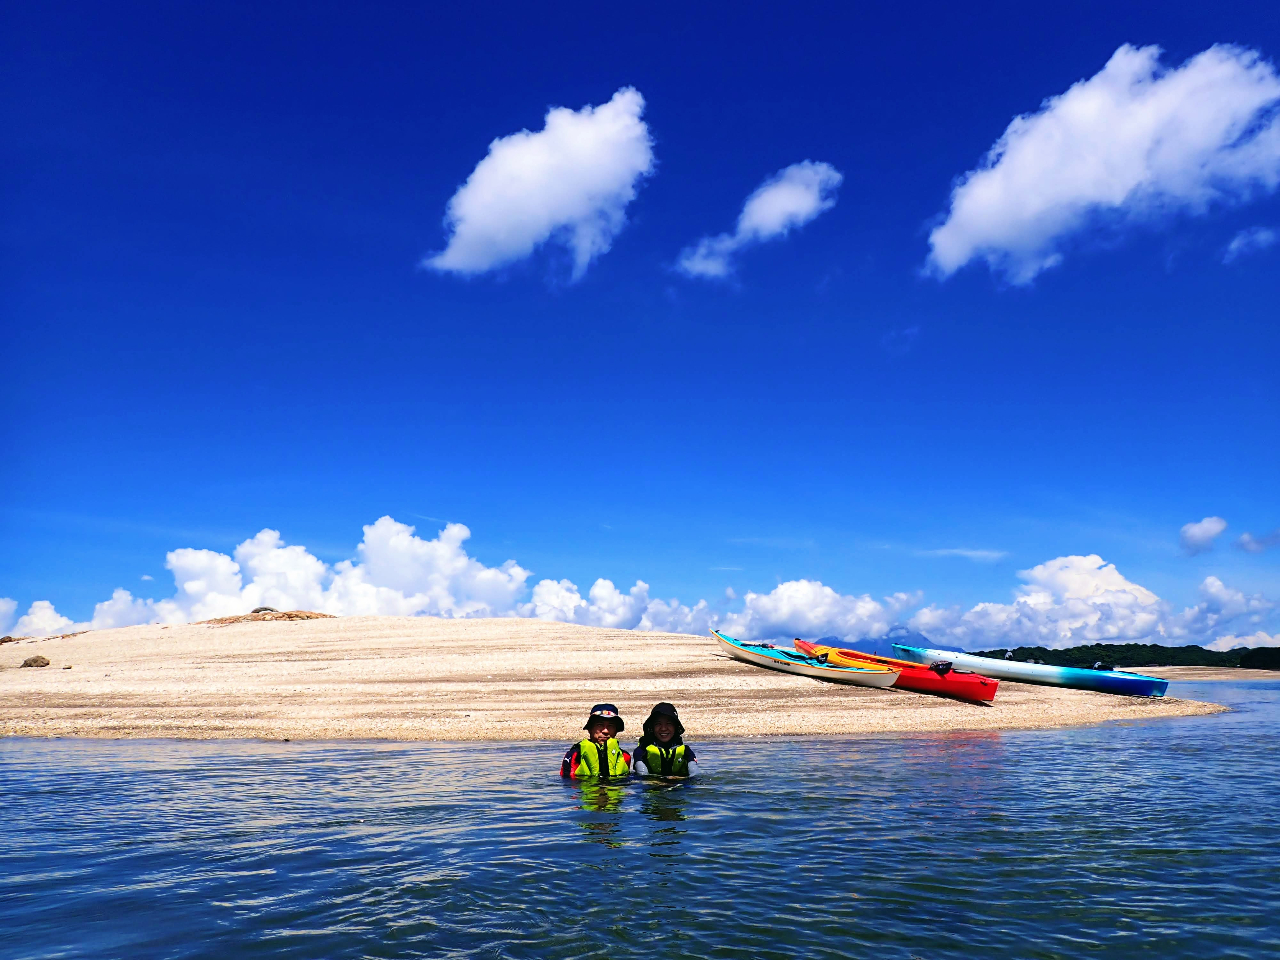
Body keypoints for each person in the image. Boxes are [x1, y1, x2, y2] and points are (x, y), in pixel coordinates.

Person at [560, 703, 632, 780]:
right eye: (599, 725)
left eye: (610, 726)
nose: (605, 731)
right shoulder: (575, 755)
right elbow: (567, 784)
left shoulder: (624, 756)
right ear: (590, 729)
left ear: (616, 731)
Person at [633, 702, 697, 777]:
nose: (663, 728)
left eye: (669, 724)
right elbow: (643, 776)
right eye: (658, 724)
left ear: (675, 727)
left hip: (678, 785)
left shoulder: (686, 751)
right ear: (652, 727)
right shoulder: (641, 751)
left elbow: (694, 776)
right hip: (652, 786)